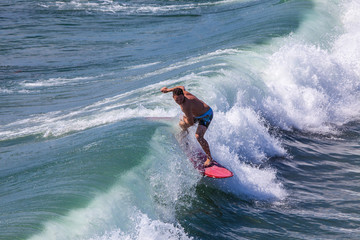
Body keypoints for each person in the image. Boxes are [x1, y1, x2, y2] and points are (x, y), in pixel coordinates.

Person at [160, 86, 214, 167]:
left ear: (183, 95)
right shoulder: (183, 92)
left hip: (206, 115)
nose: (179, 102)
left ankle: (209, 158)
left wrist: (185, 118)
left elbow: (191, 123)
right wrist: (167, 90)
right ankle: (186, 142)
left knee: (198, 136)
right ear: (173, 97)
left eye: (181, 99)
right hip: (196, 114)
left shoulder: (186, 106)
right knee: (182, 125)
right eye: (176, 100)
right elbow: (181, 87)